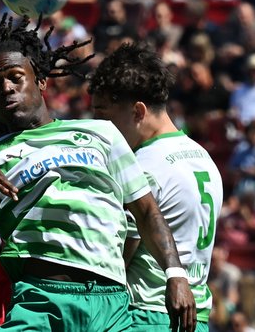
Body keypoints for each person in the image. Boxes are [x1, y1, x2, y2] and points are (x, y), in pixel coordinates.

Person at [0, 16, 196, 331]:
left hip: (111, 306)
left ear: (40, 80)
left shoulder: (101, 134)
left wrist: (176, 274)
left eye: (15, 77)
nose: (6, 88)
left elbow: (146, 212)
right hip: (41, 300)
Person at [89, 43, 224, 330]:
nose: (97, 126)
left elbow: (116, 259)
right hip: (195, 318)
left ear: (138, 111)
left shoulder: (140, 167)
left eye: (103, 114)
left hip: (144, 315)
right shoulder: (203, 158)